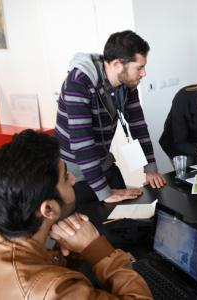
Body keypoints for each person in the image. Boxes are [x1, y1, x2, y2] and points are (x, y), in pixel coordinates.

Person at [0, 130, 152, 299]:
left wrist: (61, 256)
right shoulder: (54, 290)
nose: (72, 179)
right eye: (65, 176)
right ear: (48, 209)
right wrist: (97, 250)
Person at [55, 30, 165, 204]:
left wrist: (150, 168)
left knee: (131, 217)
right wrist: (104, 192)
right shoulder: (78, 82)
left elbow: (138, 126)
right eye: (139, 67)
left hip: (104, 163)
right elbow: (82, 145)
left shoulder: (127, 84)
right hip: (76, 176)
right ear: (117, 64)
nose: (144, 73)